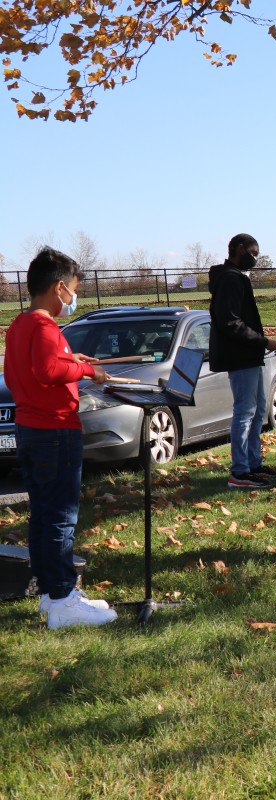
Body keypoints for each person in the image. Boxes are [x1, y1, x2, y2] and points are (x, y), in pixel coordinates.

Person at [6, 248, 118, 628]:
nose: (74, 297)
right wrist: (86, 369)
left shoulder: (20, 325)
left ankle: (51, 596)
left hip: (32, 431)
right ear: (59, 287)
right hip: (53, 431)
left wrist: (74, 358)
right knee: (60, 519)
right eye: (73, 289)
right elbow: (48, 368)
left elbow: (37, 366)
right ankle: (64, 600)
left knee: (43, 515)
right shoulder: (43, 327)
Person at [209, 233, 276, 489]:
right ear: (239, 249)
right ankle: (239, 472)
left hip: (250, 356)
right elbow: (230, 322)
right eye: (253, 253)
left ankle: (254, 464)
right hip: (239, 357)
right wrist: (264, 342)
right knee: (245, 412)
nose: (255, 258)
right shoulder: (229, 279)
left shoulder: (237, 277)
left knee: (258, 410)